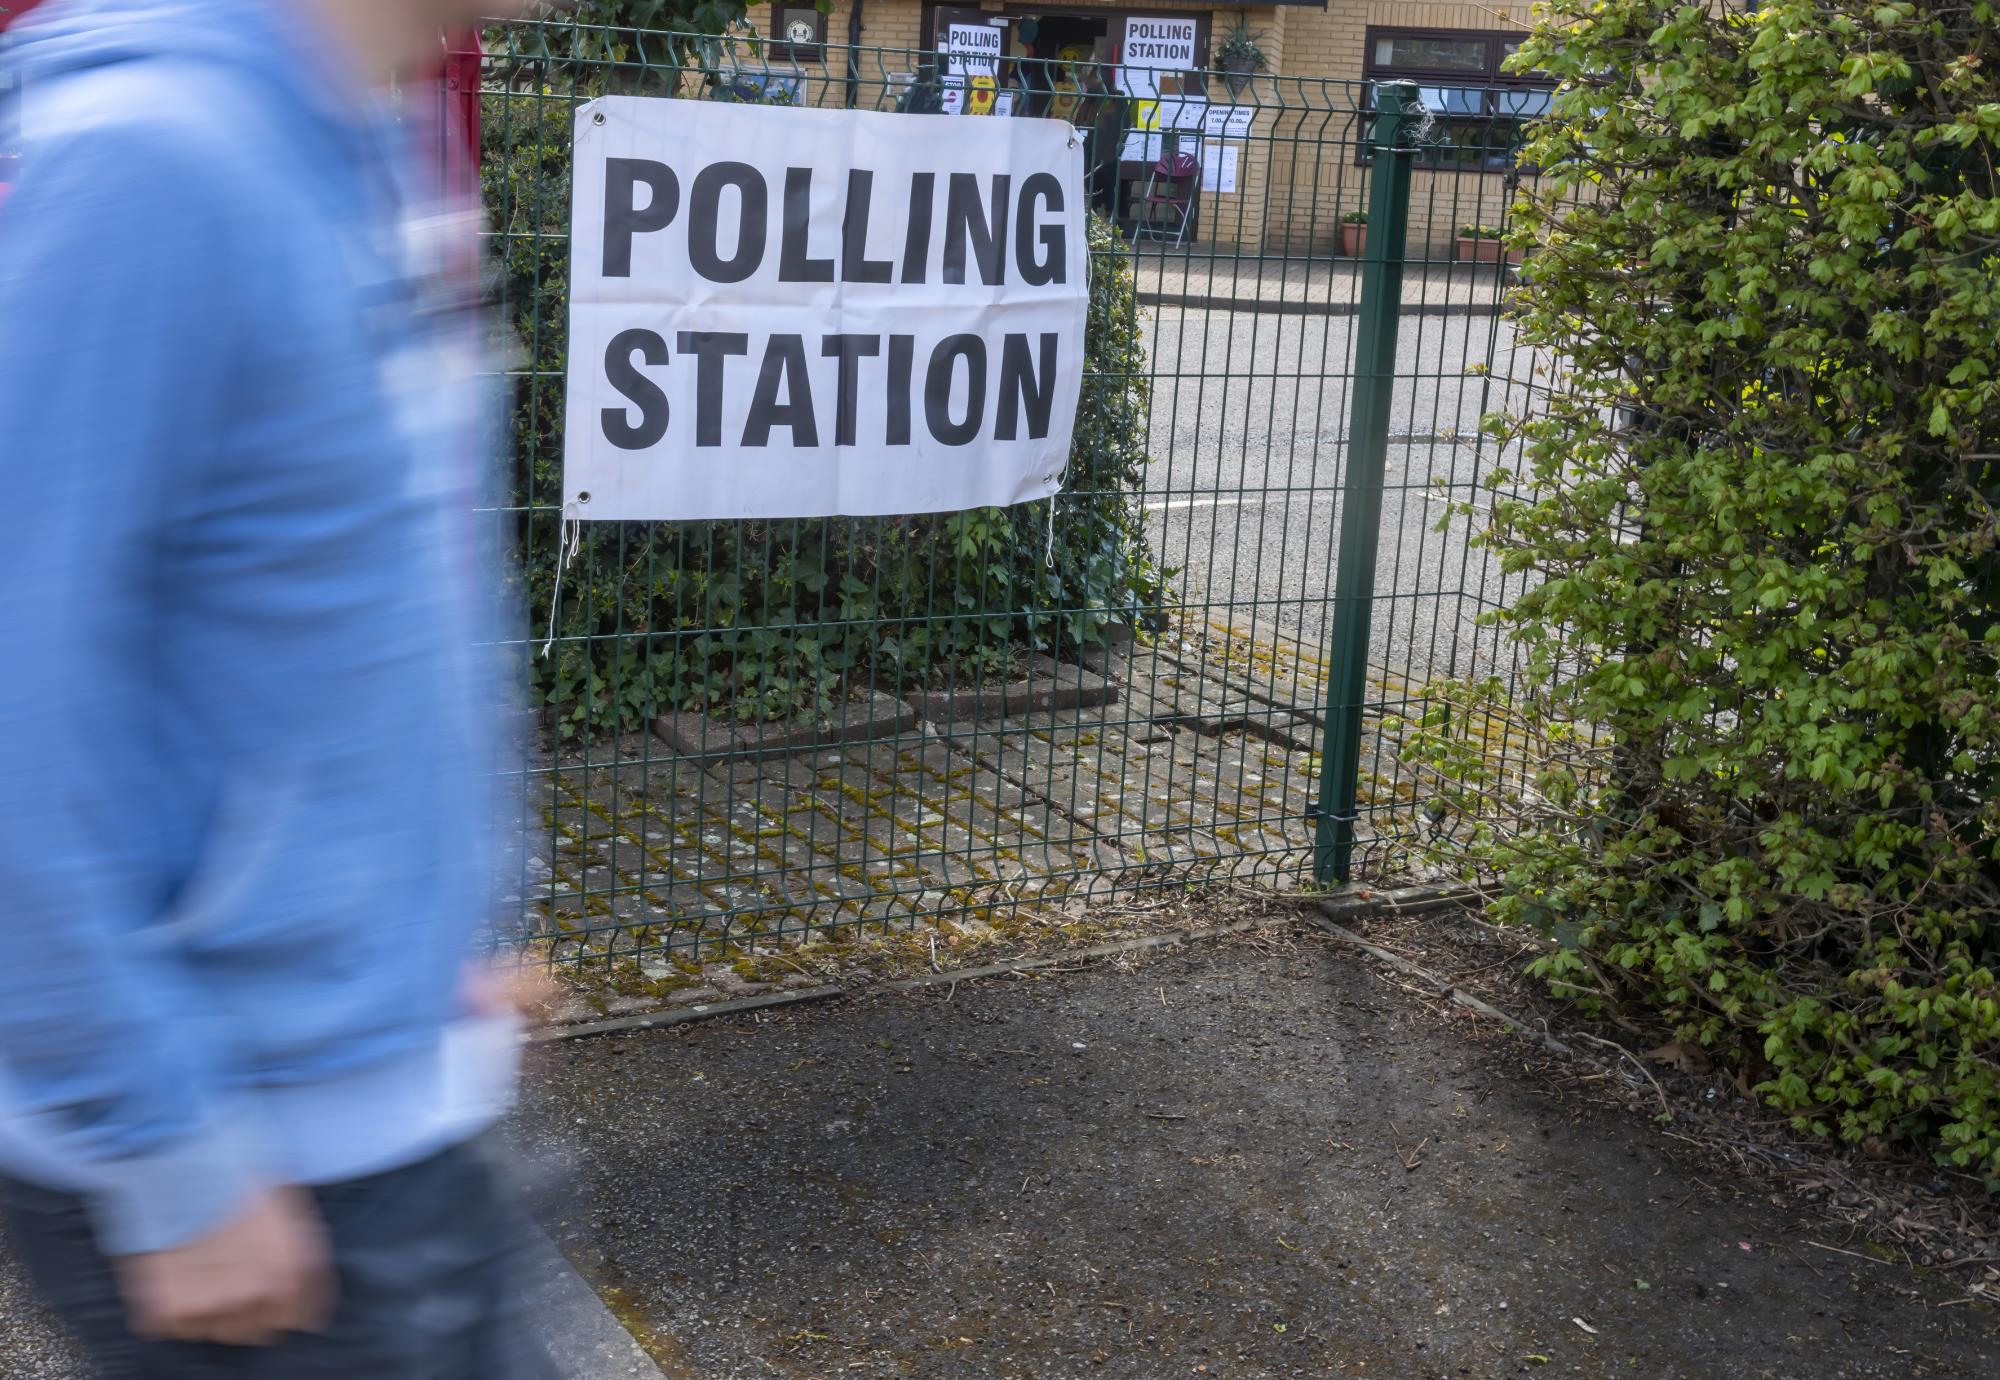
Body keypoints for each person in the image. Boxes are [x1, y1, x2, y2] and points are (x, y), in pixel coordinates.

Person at [0, 0, 552, 1374]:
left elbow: (367, 596)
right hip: (242, 1179)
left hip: (389, 1106)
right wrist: (169, 1157)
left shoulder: (377, 127)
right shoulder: (151, 160)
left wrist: (446, 922)